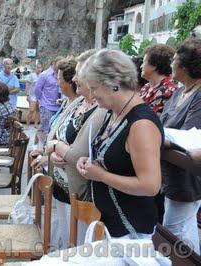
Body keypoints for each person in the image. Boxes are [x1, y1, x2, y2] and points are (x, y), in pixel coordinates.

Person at [77, 49, 163, 239]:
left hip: (130, 232)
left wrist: (101, 175)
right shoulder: (113, 112)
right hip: (108, 225)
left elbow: (150, 185)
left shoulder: (141, 125)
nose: (90, 94)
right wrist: (89, 162)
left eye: (93, 88)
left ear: (113, 85)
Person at [160, 39, 201, 253]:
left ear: (184, 66)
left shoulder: (199, 95)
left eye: (174, 60)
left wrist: (158, 138)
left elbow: (188, 136)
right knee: (186, 231)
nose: (171, 65)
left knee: (172, 234)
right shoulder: (180, 92)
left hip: (185, 178)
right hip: (170, 173)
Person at [140, 44, 178, 115]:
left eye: (144, 62)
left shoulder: (169, 90)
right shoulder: (146, 87)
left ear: (154, 65)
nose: (141, 66)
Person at [35, 56, 64, 146]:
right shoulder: (44, 75)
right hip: (47, 106)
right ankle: (41, 148)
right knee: (45, 129)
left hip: (58, 107)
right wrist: (42, 101)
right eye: (59, 65)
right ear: (53, 63)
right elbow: (37, 90)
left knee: (54, 130)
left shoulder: (59, 75)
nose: (60, 68)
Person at [24, 63, 42, 128]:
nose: (39, 69)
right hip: (32, 95)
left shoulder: (42, 75)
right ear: (35, 68)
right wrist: (27, 95)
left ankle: (36, 124)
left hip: (39, 96)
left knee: (38, 110)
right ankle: (27, 125)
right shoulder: (31, 75)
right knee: (31, 110)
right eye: (38, 68)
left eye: (40, 68)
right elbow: (27, 85)